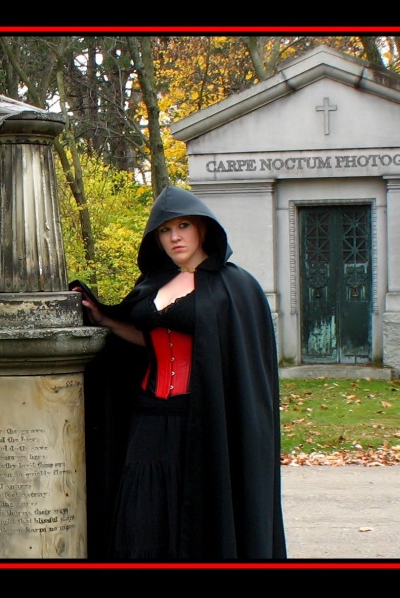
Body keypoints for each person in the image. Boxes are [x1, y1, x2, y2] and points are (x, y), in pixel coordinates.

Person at [70, 185, 287, 560]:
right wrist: (106, 319)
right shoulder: (154, 284)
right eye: (165, 230)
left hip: (203, 418)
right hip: (148, 416)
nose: (174, 237)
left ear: (202, 228)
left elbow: (237, 362)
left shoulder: (236, 287)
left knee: (200, 507)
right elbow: (146, 338)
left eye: (183, 226)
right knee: (141, 506)